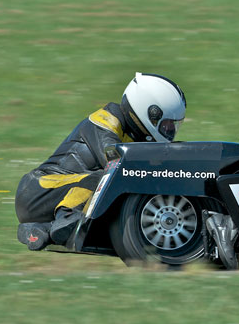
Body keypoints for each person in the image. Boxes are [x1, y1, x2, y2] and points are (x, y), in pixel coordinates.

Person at [15, 72, 187, 250]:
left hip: (58, 194)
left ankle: (40, 230)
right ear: (150, 111)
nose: (170, 132)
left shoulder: (136, 139)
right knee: (108, 175)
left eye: (173, 127)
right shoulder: (106, 119)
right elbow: (113, 159)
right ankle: (63, 221)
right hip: (36, 190)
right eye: (167, 125)